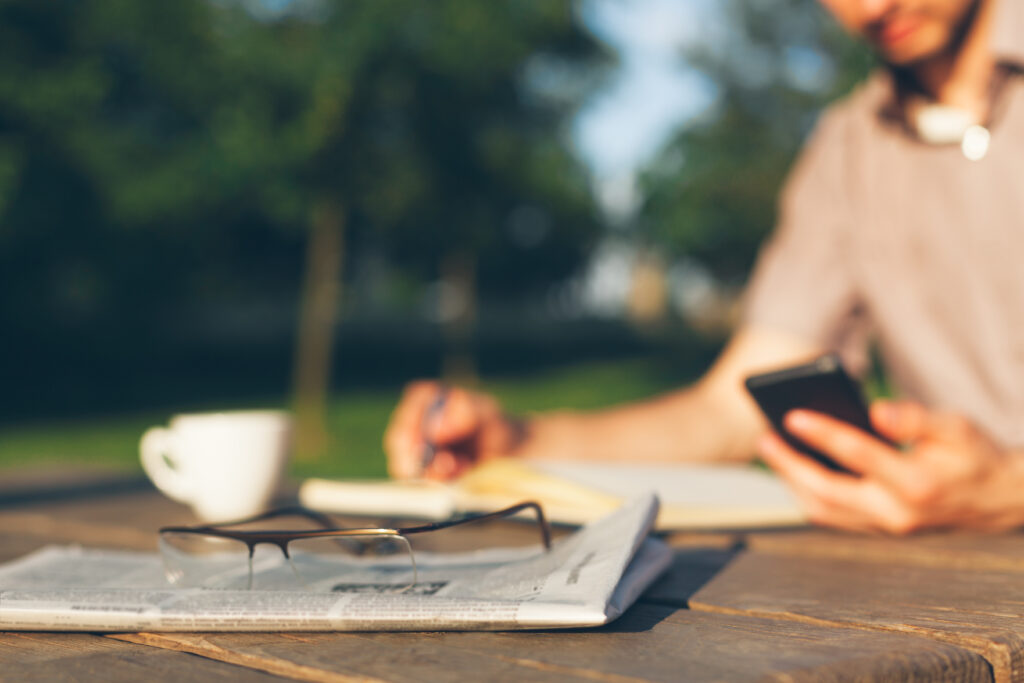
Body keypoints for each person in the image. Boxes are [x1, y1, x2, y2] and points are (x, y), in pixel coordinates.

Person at [384, 0, 1024, 534]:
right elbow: (731, 409)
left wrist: (1007, 489)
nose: (873, 7)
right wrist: (520, 442)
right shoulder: (849, 151)